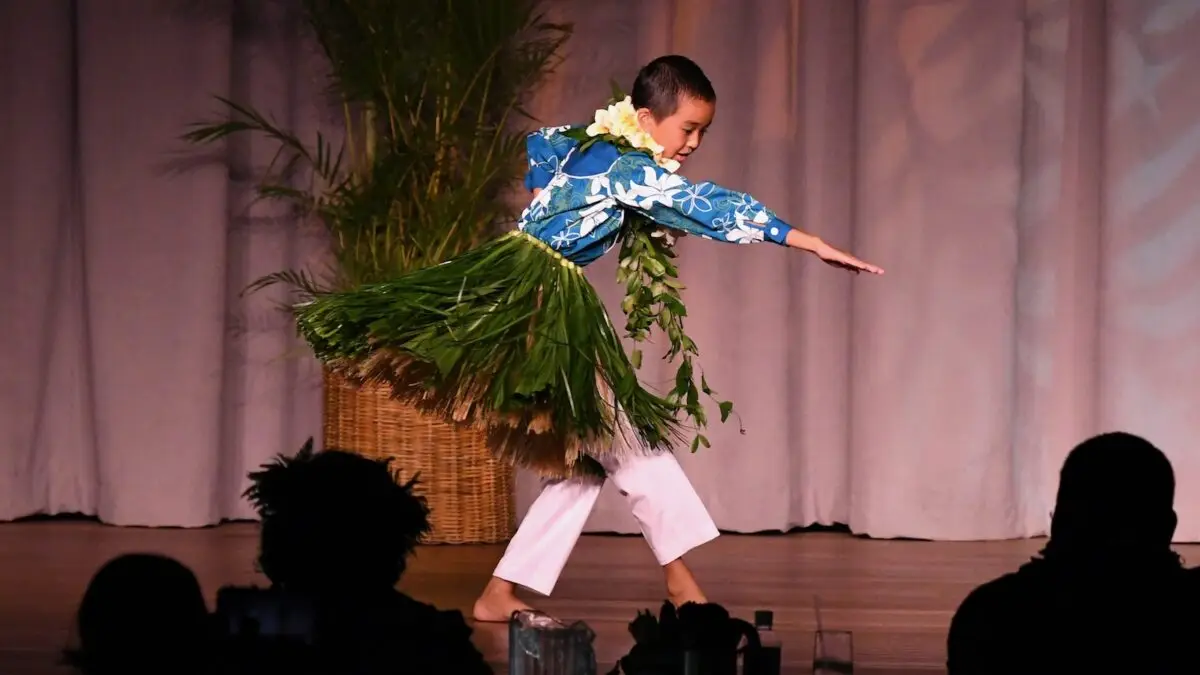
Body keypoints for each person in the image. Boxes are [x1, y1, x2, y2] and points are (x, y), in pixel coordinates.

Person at [291, 55, 883, 622]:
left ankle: (504, 592)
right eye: (688, 128)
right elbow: (706, 206)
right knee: (627, 439)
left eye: (703, 131)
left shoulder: (592, 147)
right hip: (538, 306)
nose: (694, 144)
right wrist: (806, 241)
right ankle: (681, 584)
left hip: (533, 295)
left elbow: (546, 148)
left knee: (581, 465)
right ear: (645, 119)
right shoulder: (626, 167)